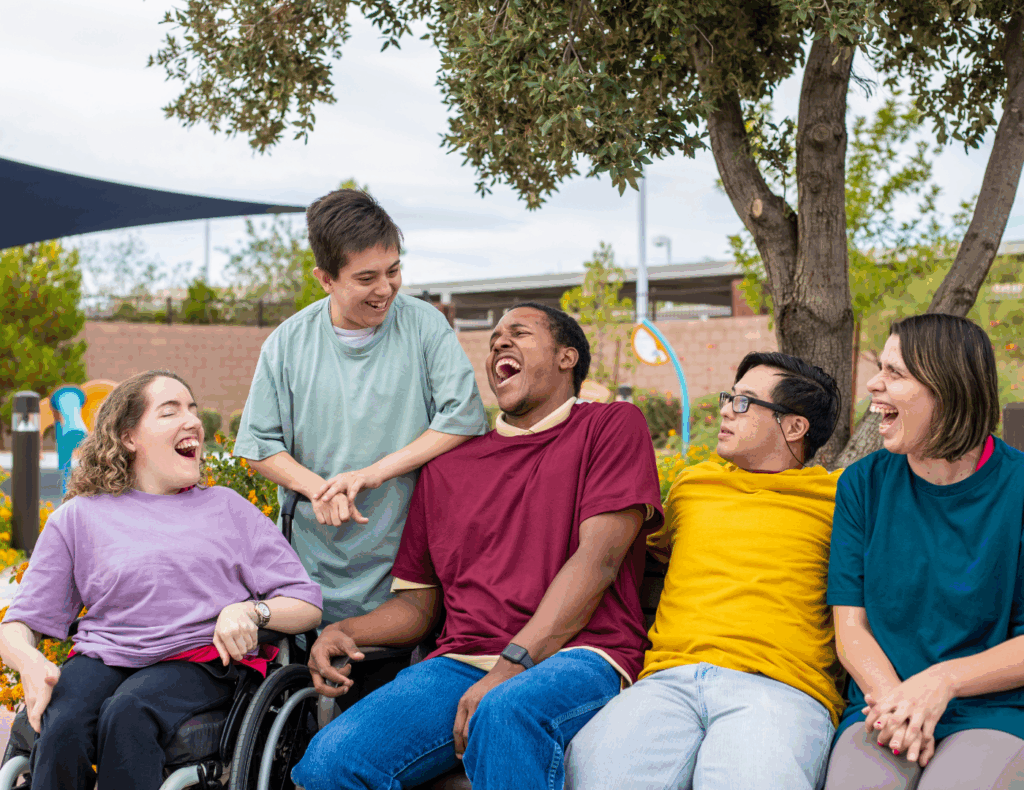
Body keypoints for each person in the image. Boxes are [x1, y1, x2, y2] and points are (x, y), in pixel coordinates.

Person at [289, 303, 663, 790]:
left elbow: (599, 562)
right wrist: (347, 631)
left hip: (580, 655)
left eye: (520, 333)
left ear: (568, 357)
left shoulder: (610, 426)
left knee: (504, 712)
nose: (499, 344)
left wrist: (509, 668)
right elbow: (419, 607)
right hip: (460, 665)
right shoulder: (447, 467)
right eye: (493, 340)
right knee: (329, 764)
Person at [0, 370, 323, 790]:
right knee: (62, 725)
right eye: (170, 412)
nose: (192, 421)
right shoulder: (79, 517)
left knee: (128, 713)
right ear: (129, 436)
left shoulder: (227, 509)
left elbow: (306, 602)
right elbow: (18, 624)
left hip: (200, 661)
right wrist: (28, 661)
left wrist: (252, 610)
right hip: (106, 657)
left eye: (193, 409)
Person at [565, 351, 845, 790]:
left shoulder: (840, 499)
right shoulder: (693, 486)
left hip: (778, 687)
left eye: (745, 402)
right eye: (729, 397)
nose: (726, 410)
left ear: (795, 427)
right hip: (666, 682)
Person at [234, 189, 487, 627]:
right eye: (366, 278)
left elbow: (462, 418)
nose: (385, 289)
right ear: (325, 279)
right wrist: (318, 489)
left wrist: (372, 473)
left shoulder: (425, 324)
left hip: (407, 560)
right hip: (312, 559)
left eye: (394, 271)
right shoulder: (286, 342)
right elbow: (258, 446)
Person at [823, 314, 1024, 790]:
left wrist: (942, 683)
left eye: (895, 373)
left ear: (947, 387)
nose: (874, 384)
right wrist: (898, 704)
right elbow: (851, 626)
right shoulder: (863, 485)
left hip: (992, 710)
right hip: (882, 702)